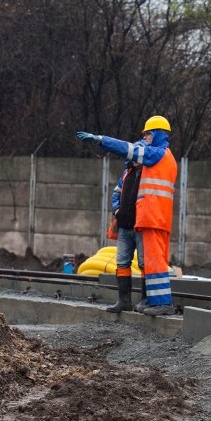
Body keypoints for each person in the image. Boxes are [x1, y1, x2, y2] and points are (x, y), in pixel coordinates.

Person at [77, 115, 177, 315]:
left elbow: (129, 149)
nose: (146, 137)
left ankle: (161, 303)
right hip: (145, 220)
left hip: (153, 219)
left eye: (148, 134)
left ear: (157, 134)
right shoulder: (144, 166)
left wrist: (101, 140)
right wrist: (118, 210)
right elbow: (119, 191)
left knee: (153, 264)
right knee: (145, 263)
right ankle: (148, 302)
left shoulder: (157, 155)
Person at [105, 144, 146, 313]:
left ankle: (145, 300)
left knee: (145, 265)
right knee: (121, 263)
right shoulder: (127, 173)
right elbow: (116, 194)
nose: (135, 159)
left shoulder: (149, 174)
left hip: (141, 227)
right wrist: (116, 210)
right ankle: (124, 301)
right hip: (124, 227)